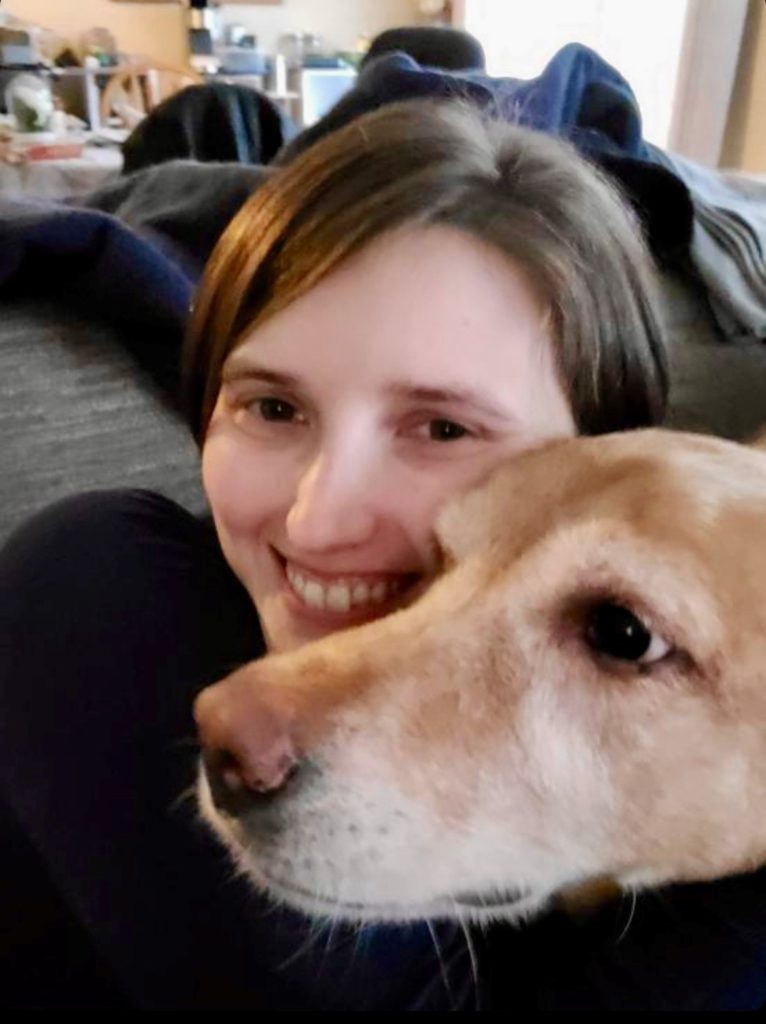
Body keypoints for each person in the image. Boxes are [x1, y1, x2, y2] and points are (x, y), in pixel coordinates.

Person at [3, 99, 763, 1011]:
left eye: (444, 426)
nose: (318, 521)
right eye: (272, 408)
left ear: (595, 451)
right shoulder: (91, 589)